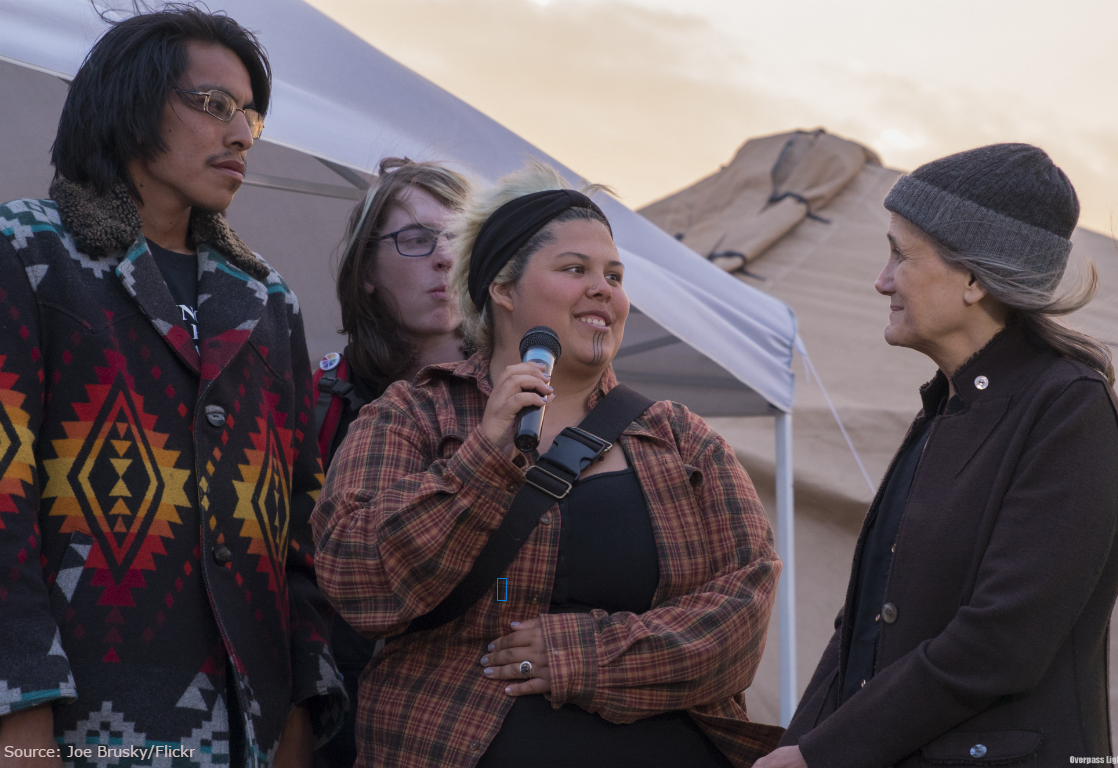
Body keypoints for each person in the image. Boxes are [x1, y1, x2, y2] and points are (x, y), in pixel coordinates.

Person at [311, 162, 783, 767]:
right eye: (574, 269)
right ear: (502, 290)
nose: (603, 289)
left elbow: (743, 611)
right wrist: (481, 461)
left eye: (614, 275)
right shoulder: (411, 416)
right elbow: (358, 581)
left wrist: (583, 654)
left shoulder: (681, 438)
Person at [0, 7, 345, 767]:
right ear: (127, 104)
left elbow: (301, 524)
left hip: (247, 733)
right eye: (214, 105)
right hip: (75, 726)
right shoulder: (27, 251)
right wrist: (16, 711)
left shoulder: (265, 299)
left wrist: (298, 711)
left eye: (250, 115)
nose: (242, 135)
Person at [756, 144, 1118, 768]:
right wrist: (800, 746)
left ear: (975, 278)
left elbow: (1001, 643)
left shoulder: (1069, 410)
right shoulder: (948, 405)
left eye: (900, 255)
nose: (881, 280)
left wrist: (822, 755)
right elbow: (862, 632)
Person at [311, 158, 470, 768]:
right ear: (366, 272)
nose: (443, 258)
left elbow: (523, 574)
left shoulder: (531, 404)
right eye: (414, 238)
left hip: (473, 720)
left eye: (460, 238)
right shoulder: (319, 403)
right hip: (331, 717)